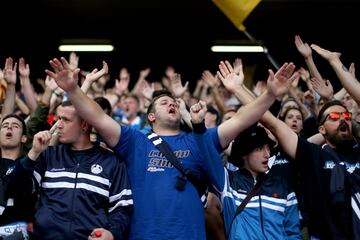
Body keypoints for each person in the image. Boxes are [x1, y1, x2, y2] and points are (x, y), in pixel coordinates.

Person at [45, 57, 295, 239]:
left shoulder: (200, 140)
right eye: (164, 102)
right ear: (151, 117)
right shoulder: (134, 140)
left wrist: (270, 96)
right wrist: (72, 89)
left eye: (174, 101)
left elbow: (241, 120)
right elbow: (97, 117)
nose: (172, 104)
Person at [189, 102, 301, 240]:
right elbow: (208, 153)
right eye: (259, 149)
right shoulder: (228, 182)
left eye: (268, 148)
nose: (267, 154)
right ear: (244, 153)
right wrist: (198, 125)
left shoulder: (284, 187)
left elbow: (293, 234)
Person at [23, 101, 133, 240]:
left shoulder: (111, 162)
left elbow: (122, 210)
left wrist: (112, 234)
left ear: (84, 125)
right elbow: (20, 191)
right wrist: (33, 153)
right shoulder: (47, 155)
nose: (58, 126)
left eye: (66, 120)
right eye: (58, 119)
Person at [0, 114, 35, 240]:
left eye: (15, 126)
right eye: (4, 126)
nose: (9, 128)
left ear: (24, 138)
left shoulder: (30, 165)